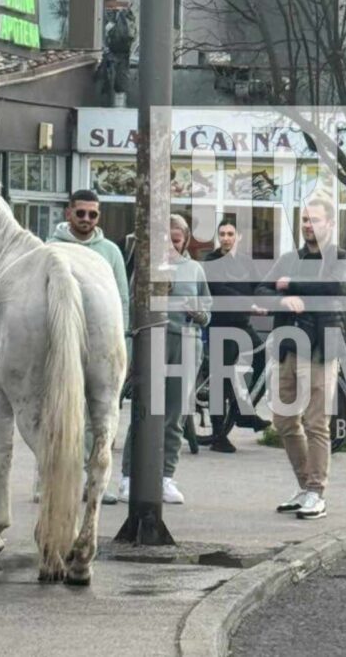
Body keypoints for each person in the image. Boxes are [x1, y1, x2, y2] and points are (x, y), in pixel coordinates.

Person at [256, 193, 346, 520]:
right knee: (283, 420)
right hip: (287, 348)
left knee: (316, 423)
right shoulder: (288, 258)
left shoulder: (340, 257)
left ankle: (316, 492)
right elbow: (262, 290)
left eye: (315, 220)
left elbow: (334, 287)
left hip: (321, 349)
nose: (308, 226)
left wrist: (291, 285)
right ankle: (304, 486)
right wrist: (281, 299)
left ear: (330, 223)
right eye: (304, 221)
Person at [119, 214, 211, 504]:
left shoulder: (195, 269)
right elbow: (132, 306)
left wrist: (198, 313)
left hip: (186, 343)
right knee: (145, 413)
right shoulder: (146, 268)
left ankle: (166, 477)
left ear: (184, 241)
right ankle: (129, 477)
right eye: (166, 240)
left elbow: (207, 313)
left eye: (177, 240)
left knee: (175, 415)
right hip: (151, 343)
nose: (171, 245)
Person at [48, 189, 129, 505]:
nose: (86, 219)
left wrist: (123, 345)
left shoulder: (110, 251)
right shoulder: (52, 248)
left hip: (100, 349)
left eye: (92, 214)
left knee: (101, 417)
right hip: (60, 346)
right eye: (80, 213)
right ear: (68, 212)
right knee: (59, 414)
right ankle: (50, 481)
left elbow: (121, 299)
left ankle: (95, 480)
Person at [198, 217, 272, 453]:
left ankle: (243, 411)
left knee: (264, 359)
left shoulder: (244, 262)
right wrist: (249, 304)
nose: (226, 238)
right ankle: (219, 437)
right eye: (222, 234)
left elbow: (259, 286)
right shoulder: (210, 261)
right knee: (221, 379)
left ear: (238, 237)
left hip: (243, 325)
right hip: (221, 325)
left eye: (230, 234)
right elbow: (221, 289)